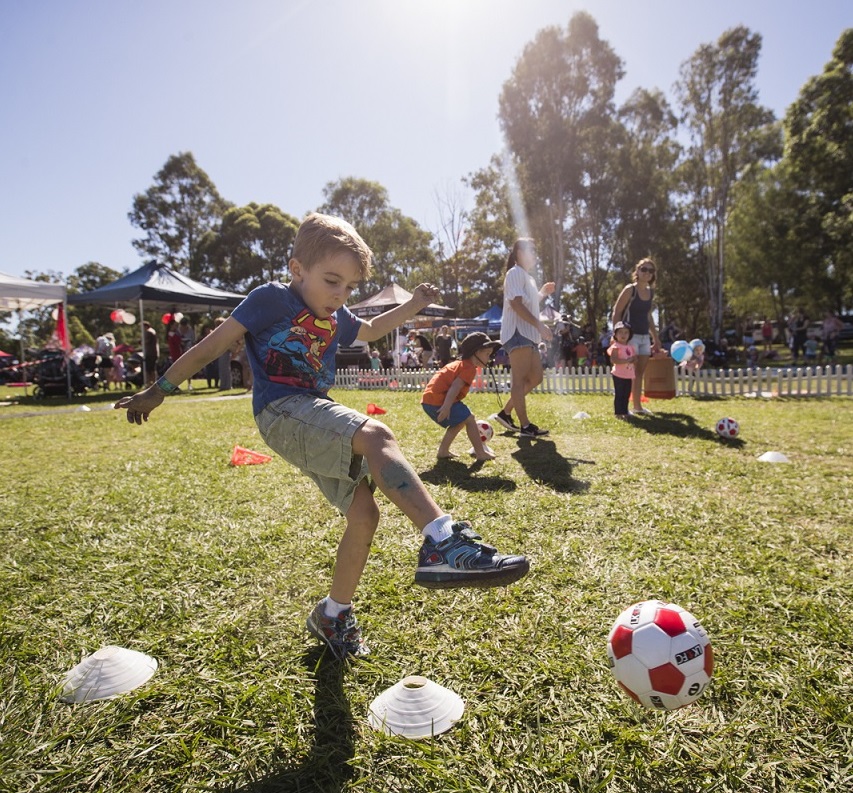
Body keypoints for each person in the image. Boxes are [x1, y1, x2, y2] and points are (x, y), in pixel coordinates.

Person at [115, 213, 529, 660]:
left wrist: (412, 305)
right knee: (376, 434)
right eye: (332, 281)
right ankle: (443, 541)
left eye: (349, 287)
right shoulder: (271, 299)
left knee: (364, 515)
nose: (340, 295)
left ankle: (333, 615)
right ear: (297, 270)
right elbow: (212, 346)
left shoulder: (337, 312)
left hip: (311, 415)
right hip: (281, 411)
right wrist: (160, 390)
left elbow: (370, 330)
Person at [489, 238, 555, 437]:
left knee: (536, 377)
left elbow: (529, 301)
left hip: (528, 335)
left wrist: (542, 292)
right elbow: (516, 304)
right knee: (519, 380)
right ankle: (525, 426)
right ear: (517, 253)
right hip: (518, 333)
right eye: (529, 250)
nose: (533, 253)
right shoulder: (515, 272)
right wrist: (539, 325)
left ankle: (506, 413)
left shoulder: (527, 277)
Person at [421, 332, 500, 462]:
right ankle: (480, 453)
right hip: (439, 400)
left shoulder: (462, 364)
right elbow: (455, 387)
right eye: (487, 354)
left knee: (460, 422)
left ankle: (443, 451)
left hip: (429, 400)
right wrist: (446, 407)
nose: (489, 357)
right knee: (469, 418)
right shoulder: (469, 368)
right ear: (476, 352)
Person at [611, 258, 661, 415]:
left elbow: (649, 316)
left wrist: (656, 338)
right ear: (637, 271)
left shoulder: (650, 292)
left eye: (650, 271)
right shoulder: (630, 290)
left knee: (639, 373)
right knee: (628, 372)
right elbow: (617, 312)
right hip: (630, 337)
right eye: (644, 269)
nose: (647, 273)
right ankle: (623, 408)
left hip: (644, 337)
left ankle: (637, 407)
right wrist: (616, 335)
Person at [607, 321, 635, 419]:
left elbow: (635, 358)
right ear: (615, 334)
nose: (623, 335)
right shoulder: (616, 347)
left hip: (628, 375)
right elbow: (613, 360)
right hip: (618, 374)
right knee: (619, 394)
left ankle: (625, 411)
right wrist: (626, 360)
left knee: (626, 394)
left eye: (626, 332)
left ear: (630, 335)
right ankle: (618, 413)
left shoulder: (630, 347)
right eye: (620, 332)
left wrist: (633, 359)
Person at [214, 316, 233, 390]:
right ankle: (224, 385)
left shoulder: (224, 332)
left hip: (225, 351)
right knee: (223, 369)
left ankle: (227, 385)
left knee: (225, 369)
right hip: (221, 351)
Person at [142, 321, 159, 386]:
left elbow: (146, 341)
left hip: (150, 353)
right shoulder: (152, 331)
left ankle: (150, 382)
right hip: (153, 353)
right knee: (152, 368)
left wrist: (141, 342)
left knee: (149, 369)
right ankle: (153, 382)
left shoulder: (149, 332)